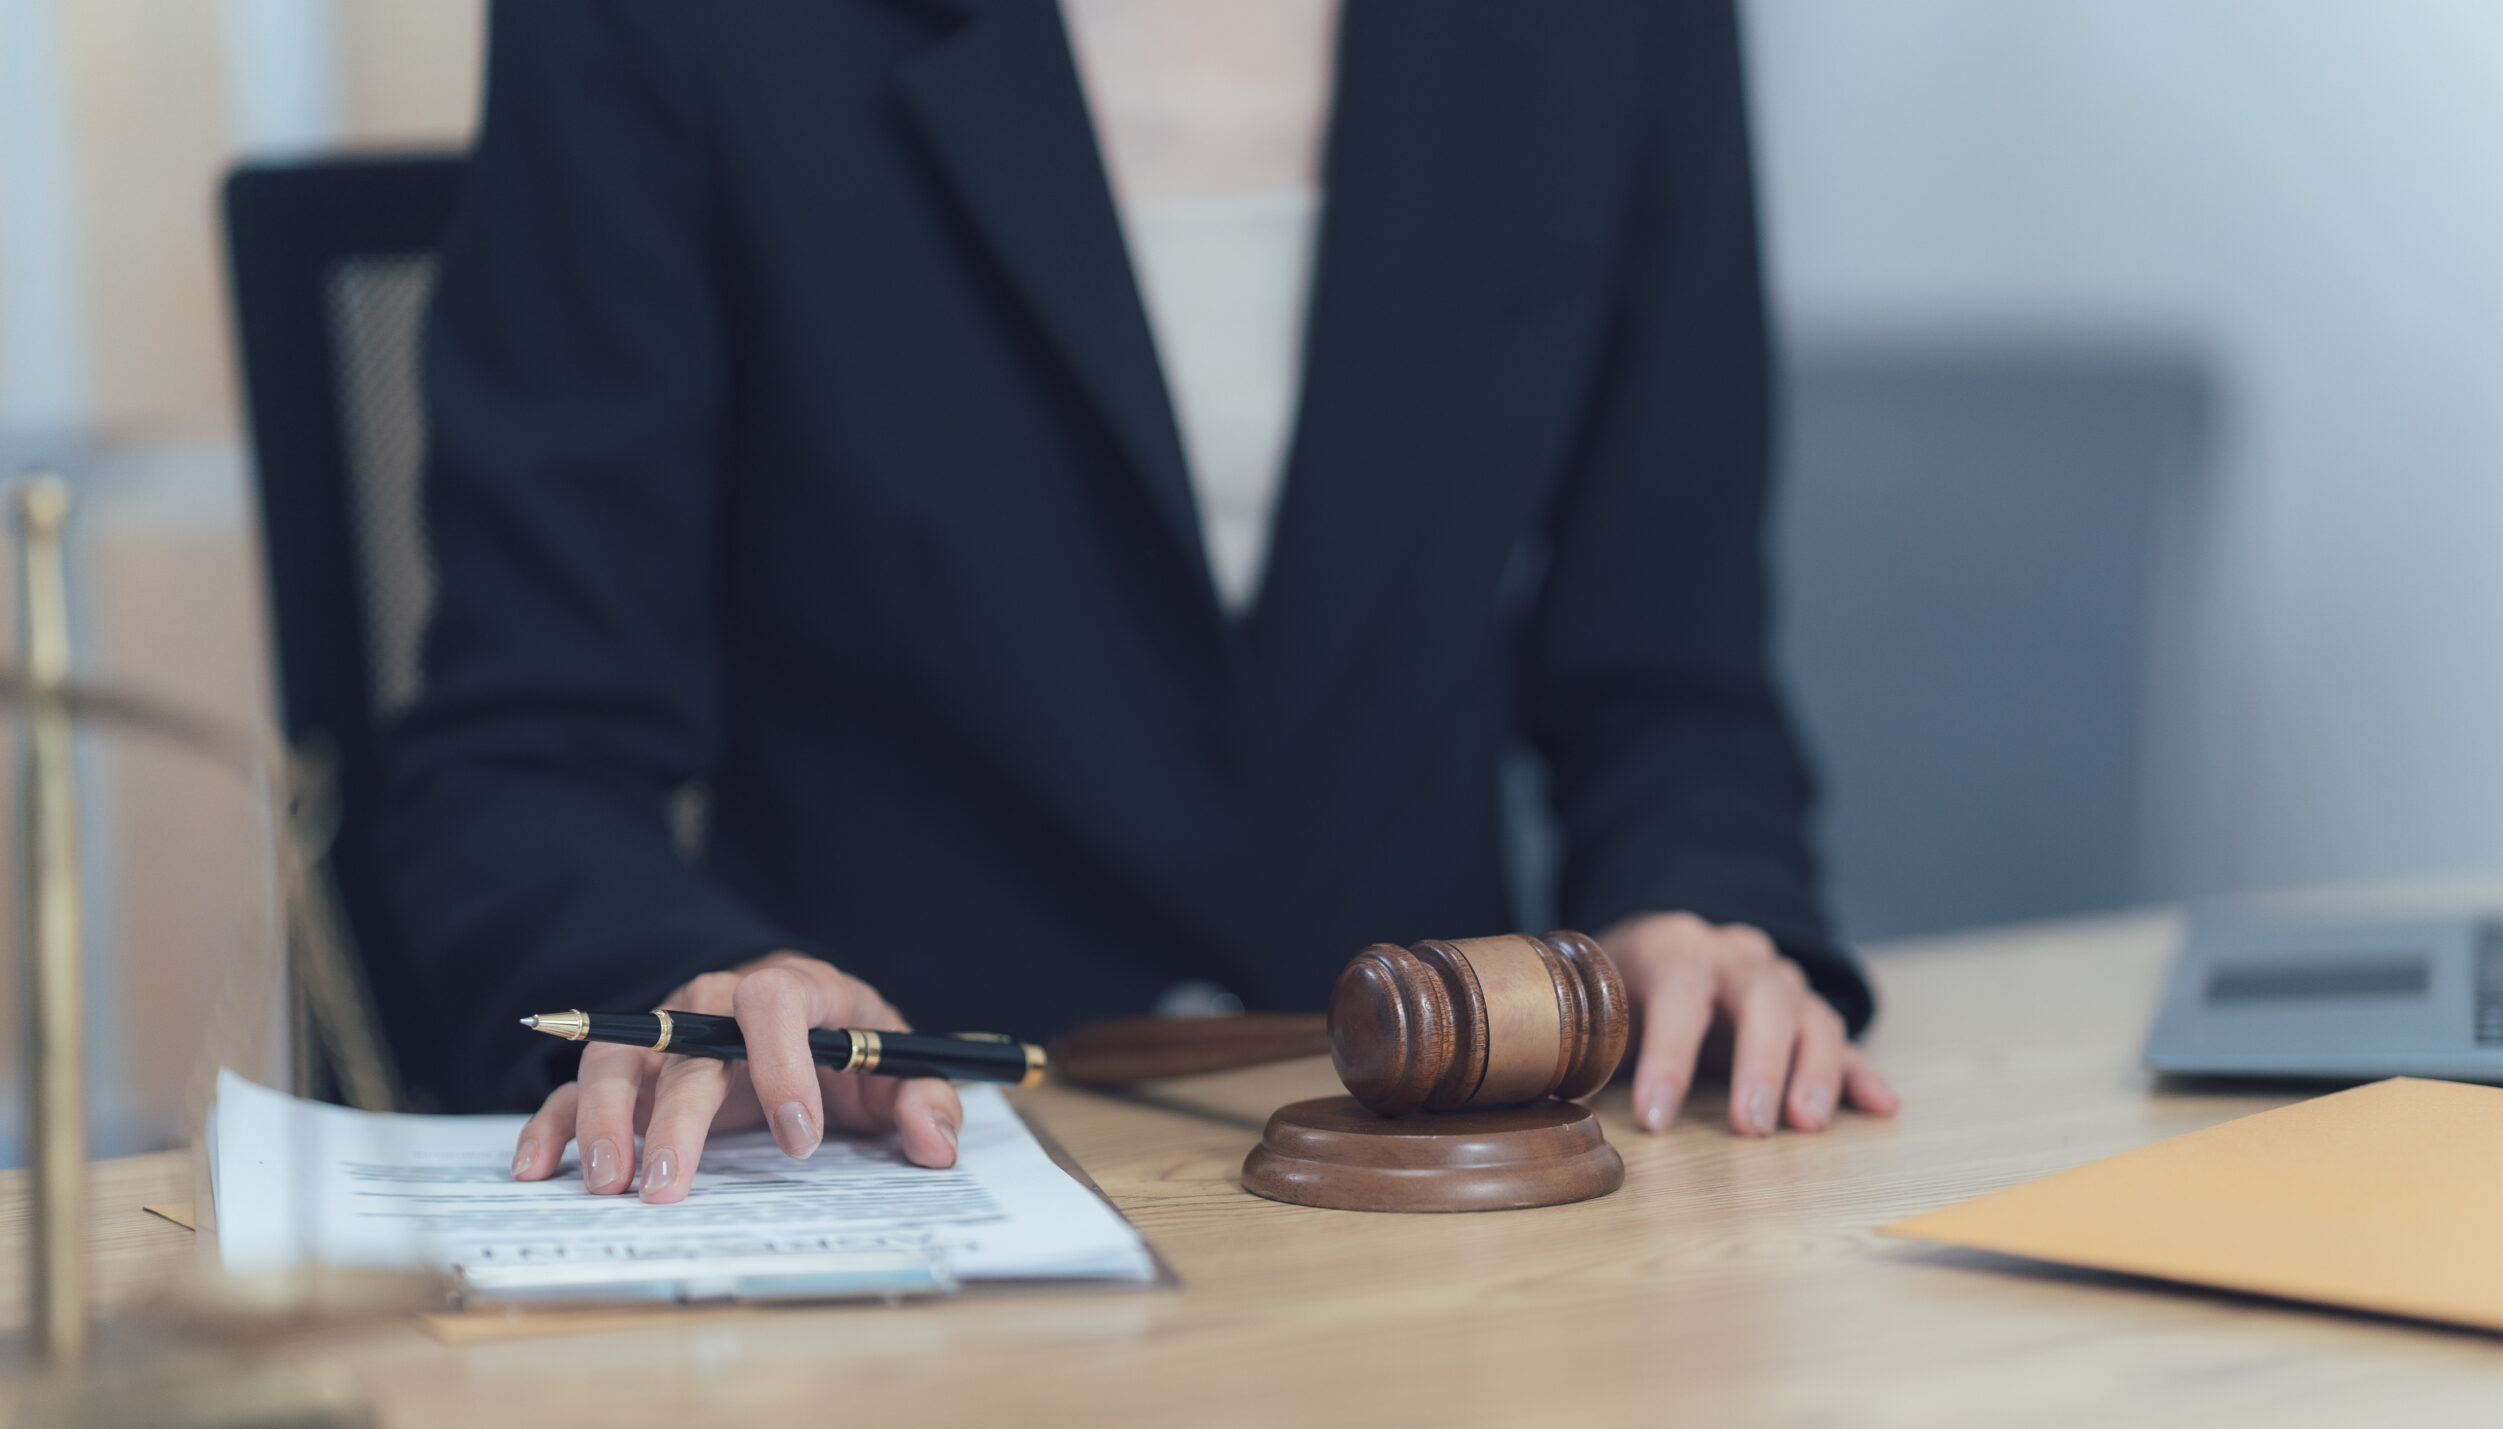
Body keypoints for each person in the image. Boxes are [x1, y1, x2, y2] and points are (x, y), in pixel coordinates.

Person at [382, 0, 1899, 1206]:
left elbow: (1674, 680)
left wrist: (1694, 924)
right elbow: (527, 746)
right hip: (899, 1177)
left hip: (1442, 1197)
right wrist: (697, 993)